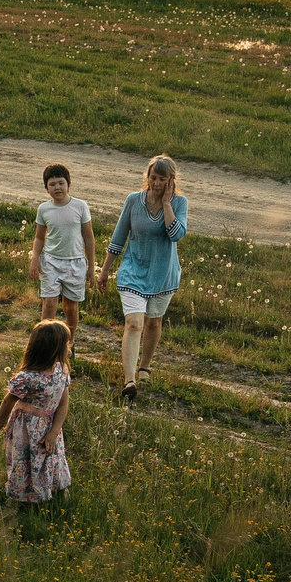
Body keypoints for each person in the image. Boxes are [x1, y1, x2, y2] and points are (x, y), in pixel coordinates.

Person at [95, 155, 188, 401]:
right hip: (133, 271)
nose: (155, 183)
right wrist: (105, 270)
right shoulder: (133, 200)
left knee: (153, 323)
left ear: (171, 181)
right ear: (147, 177)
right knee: (134, 324)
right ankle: (129, 380)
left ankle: (144, 365)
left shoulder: (180, 203)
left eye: (161, 179)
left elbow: (176, 235)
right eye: (153, 177)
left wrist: (167, 205)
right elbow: (119, 236)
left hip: (163, 275)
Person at [0, 319, 74, 504]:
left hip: (49, 427)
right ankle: (24, 497)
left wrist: (54, 432)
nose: (69, 346)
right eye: (66, 343)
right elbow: (8, 400)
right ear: (53, 348)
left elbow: (62, 404)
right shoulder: (27, 378)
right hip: (25, 428)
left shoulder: (61, 371)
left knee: (52, 457)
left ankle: (55, 489)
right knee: (26, 459)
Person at [27, 162, 95, 345]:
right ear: (47, 188)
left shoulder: (80, 206)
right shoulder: (44, 209)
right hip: (50, 262)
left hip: (75, 263)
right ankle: (43, 345)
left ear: (68, 184)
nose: (57, 187)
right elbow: (39, 237)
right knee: (49, 304)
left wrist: (91, 267)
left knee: (71, 308)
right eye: (52, 184)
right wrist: (35, 258)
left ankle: (69, 344)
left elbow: (88, 237)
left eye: (61, 183)